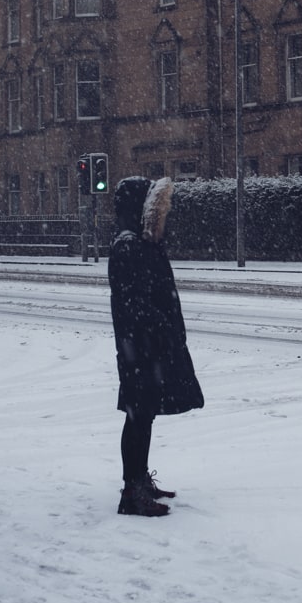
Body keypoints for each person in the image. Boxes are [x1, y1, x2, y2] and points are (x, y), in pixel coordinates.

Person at [108, 176, 204, 516]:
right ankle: (131, 493)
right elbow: (134, 303)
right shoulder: (128, 245)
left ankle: (139, 480)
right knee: (137, 417)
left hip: (145, 347)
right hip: (140, 348)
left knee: (143, 415)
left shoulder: (139, 242)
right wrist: (163, 329)